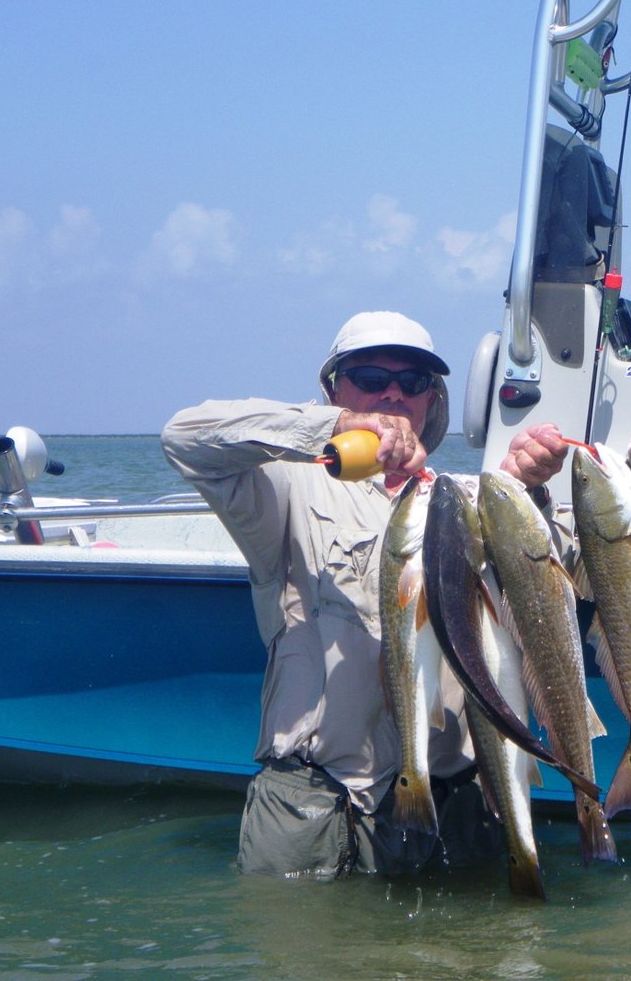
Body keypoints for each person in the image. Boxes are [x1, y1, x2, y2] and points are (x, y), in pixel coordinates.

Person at [161, 310, 569, 877]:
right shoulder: (283, 486)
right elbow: (184, 437)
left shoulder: (470, 499)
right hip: (311, 803)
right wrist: (330, 428)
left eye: (415, 382)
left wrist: (529, 492)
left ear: (434, 401)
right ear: (333, 388)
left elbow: (561, 579)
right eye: (371, 379)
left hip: (454, 803)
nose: (394, 395)